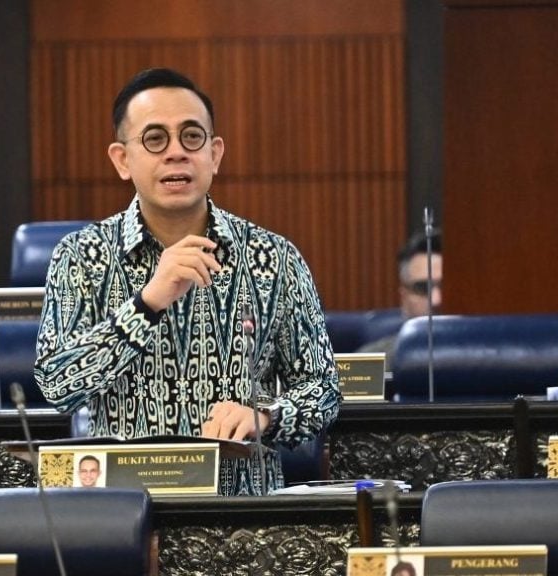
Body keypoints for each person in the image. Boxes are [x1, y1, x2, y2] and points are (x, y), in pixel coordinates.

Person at [35, 68, 340, 496]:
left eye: (192, 137)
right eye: (155, 139)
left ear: (215, 154)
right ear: (122, 160)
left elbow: (323, 389)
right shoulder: (81, 256)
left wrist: (266, 416)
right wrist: (145, 305)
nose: (176, 153)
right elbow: (56, 384)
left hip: (241, 512)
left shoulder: (274, 258)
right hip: (123, 511)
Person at [358, 229, 442, 357]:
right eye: (422, 288)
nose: (436, 300)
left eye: (446, 287)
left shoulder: (477, 357)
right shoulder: (371, 361)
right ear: (404, 297)